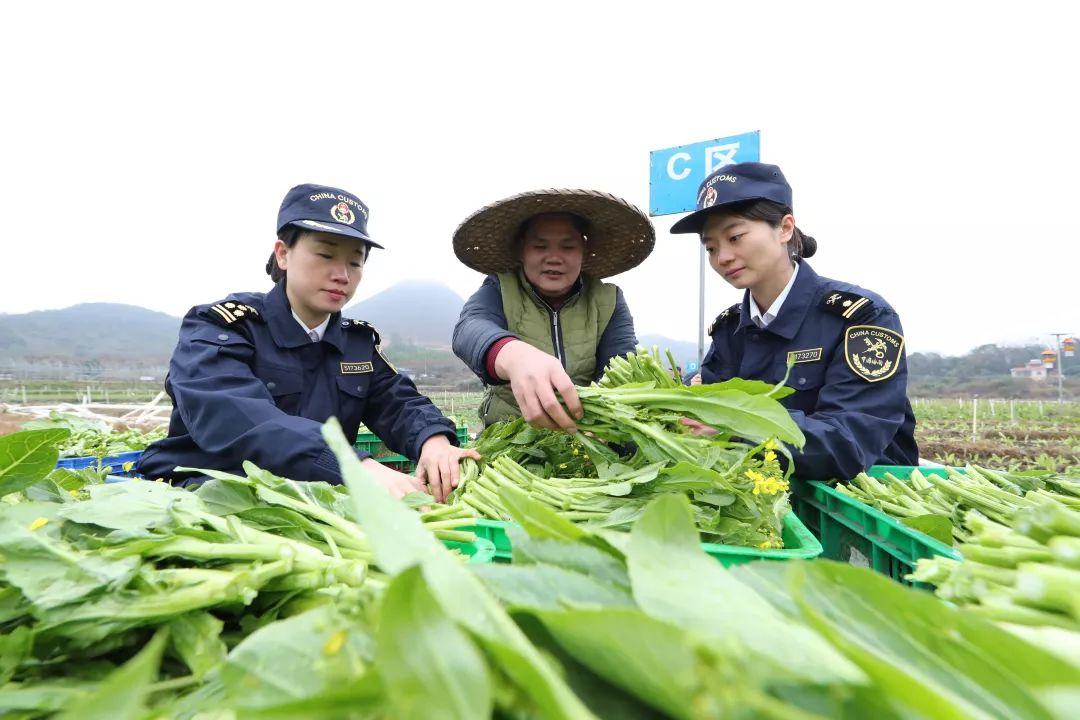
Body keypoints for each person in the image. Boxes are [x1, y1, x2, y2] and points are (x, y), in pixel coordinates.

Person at [137, 183, 477, 501]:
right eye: (326, 255)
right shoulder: (221, 328)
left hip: (316, 499)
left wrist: (432, 439)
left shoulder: (355, 343)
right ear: (283, 254)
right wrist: (351, 465)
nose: (342, 275)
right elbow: (238, 417)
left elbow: (397, 401)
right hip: (210, 493)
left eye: (355, 262)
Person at [670, 163, 918, 480]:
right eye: (711, 247)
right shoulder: (729, 330)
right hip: (770, 499)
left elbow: (849, 441)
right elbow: (700, 407)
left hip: (860, 507)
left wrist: (736, 427)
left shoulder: (861, 317)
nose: (723, 258)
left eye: (735, 237)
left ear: (785, 228)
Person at [451, 189, 655, 430]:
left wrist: (604, 424)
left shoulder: (607, 300)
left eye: (568, 247)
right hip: (510, 432)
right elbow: (469, 328)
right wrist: (514, 355)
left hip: (585, 434)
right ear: (522, 251)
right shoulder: (500, 289)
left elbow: (619, 365)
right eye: (540, 246)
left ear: (584, 251)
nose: (554, 258)